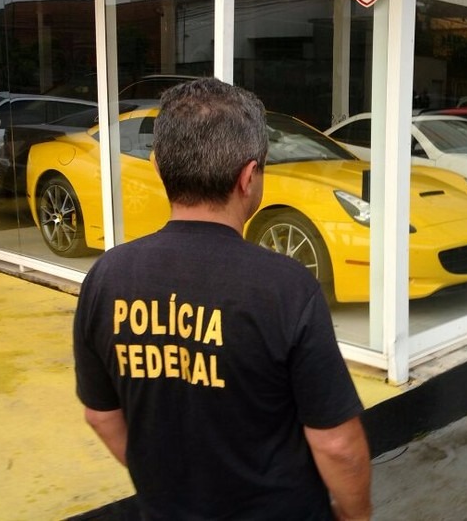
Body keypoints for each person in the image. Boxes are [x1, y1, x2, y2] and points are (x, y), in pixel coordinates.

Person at [73, 78, 372, 520]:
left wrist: (165, 489)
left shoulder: (106, 278)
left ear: (158, 167)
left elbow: (101, 416)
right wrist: (356, 515)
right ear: (248, 177)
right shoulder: (285, 288)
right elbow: (336, 444)